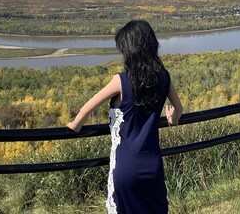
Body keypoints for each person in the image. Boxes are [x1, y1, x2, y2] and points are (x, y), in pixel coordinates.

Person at [67, 20, 184, 214]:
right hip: (153, 166)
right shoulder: (164, 77)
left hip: (126, 166)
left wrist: (75, 124)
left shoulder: (121, 81)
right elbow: (178, 110)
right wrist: (171, 119)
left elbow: (87, 108)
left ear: (130, 50)